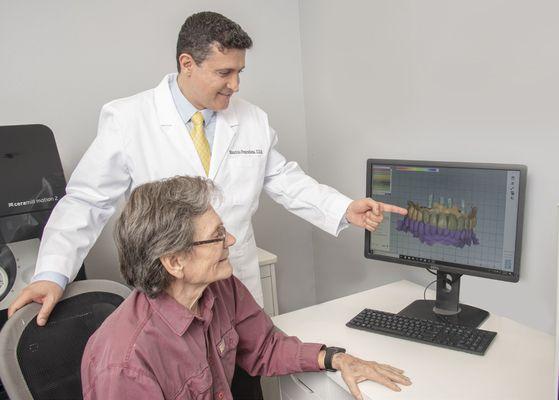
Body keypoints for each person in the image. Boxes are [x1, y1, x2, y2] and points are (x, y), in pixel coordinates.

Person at [9, 10, 406, 325]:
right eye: (224, 73)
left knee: (244, 377)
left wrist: (342, 208)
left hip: (237, 282)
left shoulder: (252, 119)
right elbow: (86, 202)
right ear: (187, 64)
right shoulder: (130, 118)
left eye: (239, 72)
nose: (235, 85)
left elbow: (284, 179)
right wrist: (52, 273)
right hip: (172, 287)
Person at [81, 176, 411, 400]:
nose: (232, 241)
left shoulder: (221, 289)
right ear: (175, 261)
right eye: (217, 235)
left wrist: (335, 358)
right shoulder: (124, 364)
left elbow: (265, 347)